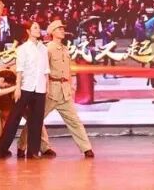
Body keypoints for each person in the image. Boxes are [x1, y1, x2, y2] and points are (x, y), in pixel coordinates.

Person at [18, 20, 96, 158]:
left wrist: (71, 85)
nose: (62, 31)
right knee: (35, 120)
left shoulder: (65, 49)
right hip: (51, 91)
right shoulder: (47, 49)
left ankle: (86, 148)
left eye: (62, 29)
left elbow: (67, 70)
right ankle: (22, 145)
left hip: (64, 92)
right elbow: (42, 69)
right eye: (59, 29)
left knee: (74, 121)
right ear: (52, 32)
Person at [0, 21, 50, 159]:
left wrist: (47, 87)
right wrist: (18, 88)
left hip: (40, 88)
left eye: (39, 28)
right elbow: (19, 70)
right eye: (35, 28)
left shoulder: (44, 49)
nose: (38, 30)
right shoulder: (22, 49)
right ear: (28, 31)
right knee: (14, 118)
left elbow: (46, 70)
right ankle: (1, 149)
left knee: (36, 121)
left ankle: (33, 151)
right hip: (25, 87)